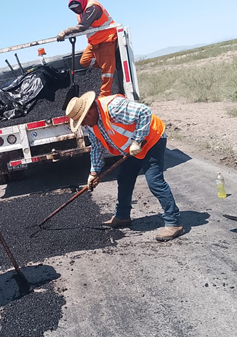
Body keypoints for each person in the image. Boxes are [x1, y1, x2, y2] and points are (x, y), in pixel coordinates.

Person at [65, 91, 184, 242]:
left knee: (154, 181)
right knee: (124, 178)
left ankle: (174, 223)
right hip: (131, 149)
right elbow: (96, 147)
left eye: (83, 121)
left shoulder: (113, 108)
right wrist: (94, 172)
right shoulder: (91, 125)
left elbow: (145, 112)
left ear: (89, 112)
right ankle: (122, 216)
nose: (84, 125)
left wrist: (138, 140)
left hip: (151, 140)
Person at [57, 0, 120, 97]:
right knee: (85, 61)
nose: (76, 9)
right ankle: (109, 63)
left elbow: (83, 26)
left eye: (77, 7)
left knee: (107, 71)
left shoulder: (92, 7)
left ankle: (105, 94)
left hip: (107, 38)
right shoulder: (80, 12)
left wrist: (66, 31)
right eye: (73, 9)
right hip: (94, 42)